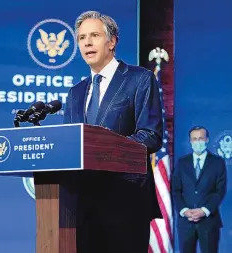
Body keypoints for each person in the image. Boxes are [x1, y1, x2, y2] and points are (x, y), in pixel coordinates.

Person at [63, 11, 163, 253]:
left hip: (125, 200)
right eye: (81, 37)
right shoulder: (75, 92)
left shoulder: (139, 79)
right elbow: (68, 143)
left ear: (112, 41)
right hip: (83, 203)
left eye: (94, 35)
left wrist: (102, 151)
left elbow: (151, 135)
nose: (86, 42)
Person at [172, 126, 226, 253]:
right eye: (194, 139)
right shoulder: (181, 163)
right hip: (186, 223)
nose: (198, 142)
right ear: (190, 141)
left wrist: (204, 210)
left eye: (201, 138)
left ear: (207, 140)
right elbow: (176, 190)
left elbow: (219, 191)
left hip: (209, 222)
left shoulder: (218, 163)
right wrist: (184, 211)